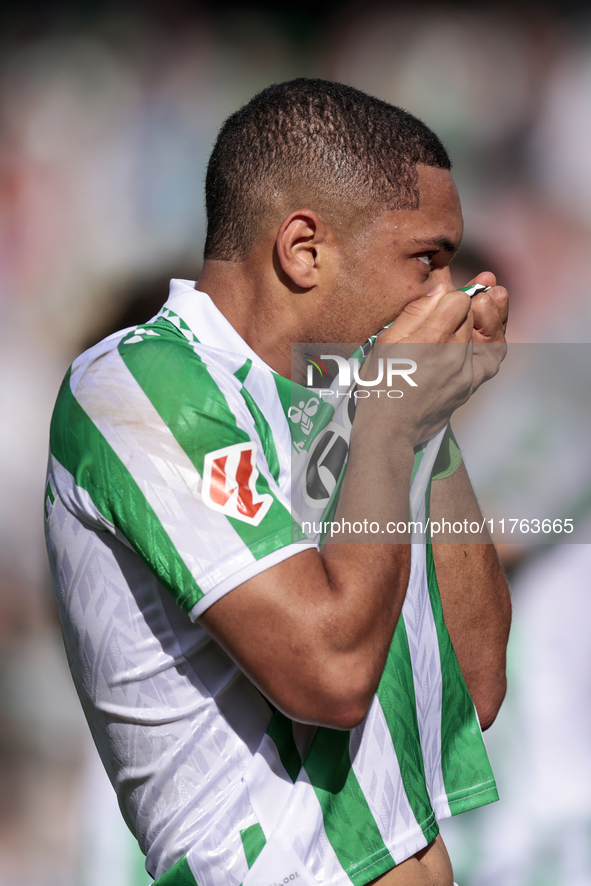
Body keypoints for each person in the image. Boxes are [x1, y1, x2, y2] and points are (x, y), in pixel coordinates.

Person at [44, 79, 511, 886]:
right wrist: (395, 418)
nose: (452, 296)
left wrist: (424, 419)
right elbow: (326, 676)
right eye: (427, 261)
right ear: (303, 249)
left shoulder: (360, 401)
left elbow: (473, 690)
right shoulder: (140, 384)